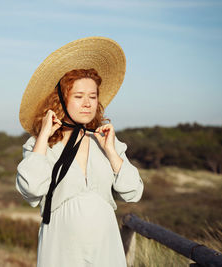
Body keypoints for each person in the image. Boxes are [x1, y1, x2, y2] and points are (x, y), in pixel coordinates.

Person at [16, 37, 144, 267]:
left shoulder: (105, 141)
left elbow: (133, 192)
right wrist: (44, 137)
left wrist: (112, 152)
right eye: (78, 96)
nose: (87, 103)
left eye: (92, 97)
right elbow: (31, 189)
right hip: (61, 249)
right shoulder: (41, 145)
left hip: (105, 248)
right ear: (61, 100)